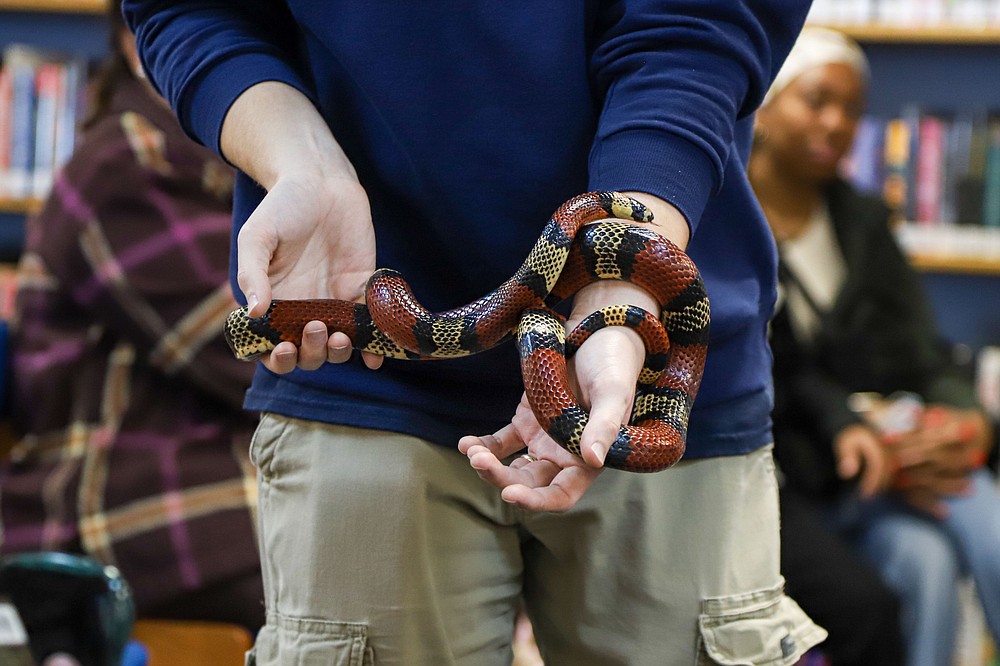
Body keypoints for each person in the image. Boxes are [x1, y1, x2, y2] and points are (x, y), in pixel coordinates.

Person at [123, 3, 825, 664]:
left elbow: (698, 24)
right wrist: (301, 158)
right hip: (367, 398)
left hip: (650, 385)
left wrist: (626, 288)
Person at [0, 2, 264, 634]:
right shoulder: (123, 164)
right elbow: (246, 347)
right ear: (135, 39)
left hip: (217, 474)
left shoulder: (219, 166)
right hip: (129, 495)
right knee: (356, 568)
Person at [750, 26, 1000, 666]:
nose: (837, 123)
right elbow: (778, 372)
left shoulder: (862, 221)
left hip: (886, 459)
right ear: (766, 104)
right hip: (795, 480)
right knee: (920, 563)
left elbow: (922, 346)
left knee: (959, 533)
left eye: (854, 111)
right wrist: (851, 426)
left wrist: (964, 421)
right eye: (817, 100)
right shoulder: (727, 224)